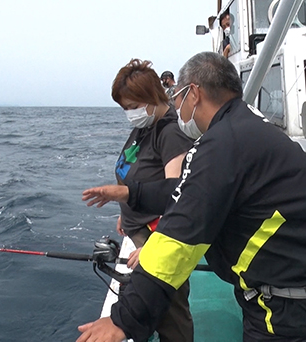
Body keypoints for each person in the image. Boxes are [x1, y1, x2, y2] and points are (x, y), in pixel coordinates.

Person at [78, 52, 306, 342]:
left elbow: (179, 239)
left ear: (194, 94)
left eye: (177, 96)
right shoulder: (245, 127)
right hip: (302, 294)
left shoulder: (222, 144)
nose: (175, 106)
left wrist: (123, 319)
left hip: (299, 310)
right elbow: (187, 191)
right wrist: (131, 193)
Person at [90, 58, 195, 342]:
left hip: (157, 236)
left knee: (171, 309)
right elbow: (135, 173)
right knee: (147, 300)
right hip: (138, 231)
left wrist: (154, 246)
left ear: (151, 97)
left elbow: (177, 195)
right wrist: (125, 214)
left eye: (133, 107)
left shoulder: (170, 132)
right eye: (125, 109)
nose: (130, 114)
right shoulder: (144, 127)